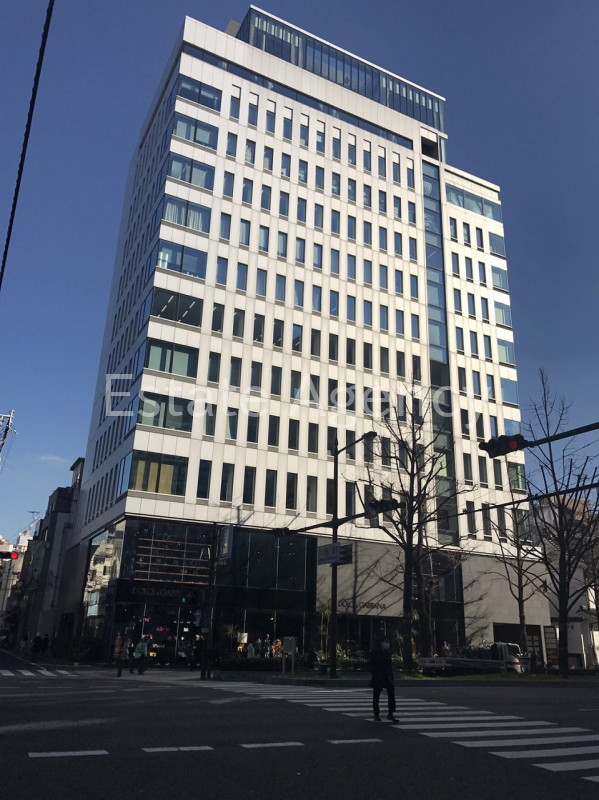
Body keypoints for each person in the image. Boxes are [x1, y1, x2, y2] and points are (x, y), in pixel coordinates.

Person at [368, 637, 397, 723]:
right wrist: (375, 674)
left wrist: (391, 676)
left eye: (388, 642)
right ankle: (376, 714)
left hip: (387, 676)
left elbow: (389, 666)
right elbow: (371, 664)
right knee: (376, 695)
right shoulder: (376, 652)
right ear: (381, 642)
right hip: (378, 676)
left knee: (391, 692)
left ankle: (391, 713)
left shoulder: (388, 652)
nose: (387, 644)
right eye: (385, 642)